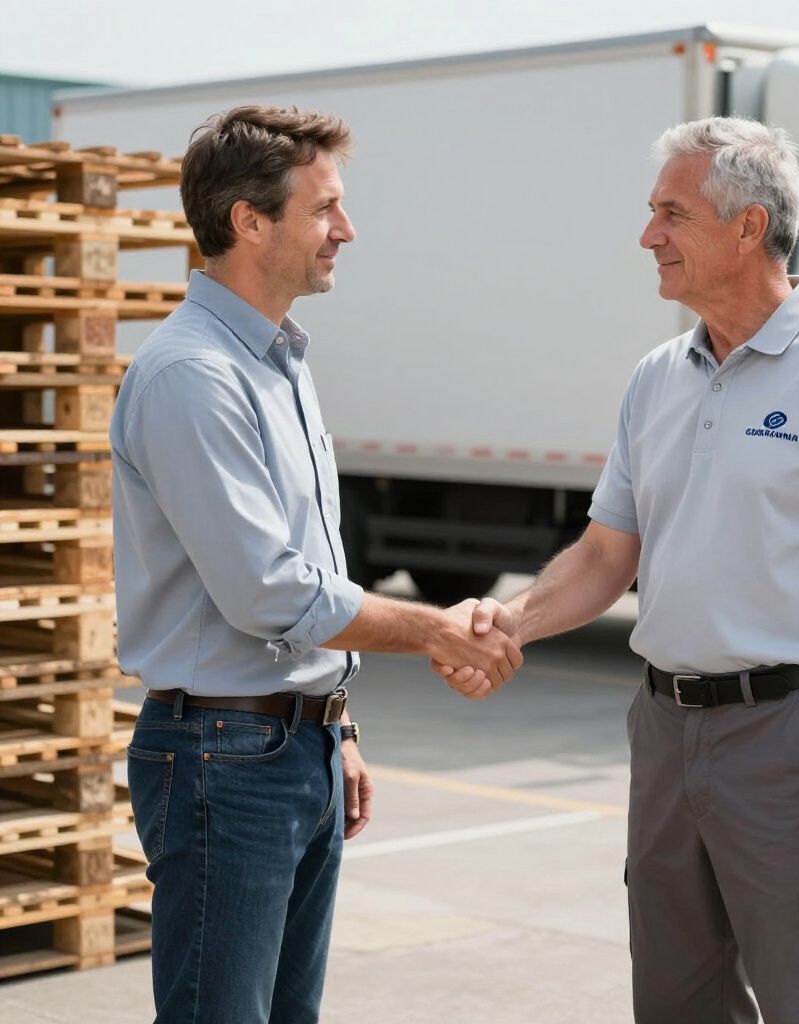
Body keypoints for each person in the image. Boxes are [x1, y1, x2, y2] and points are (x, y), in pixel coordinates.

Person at [438, 116, 799, 1022]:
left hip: (795, 736)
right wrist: (508, 623)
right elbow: (605, 555)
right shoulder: (657, 377)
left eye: (671, 213)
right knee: (677, 1001)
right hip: (665, 735)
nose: (649, 237)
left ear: (748, 228)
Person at [110, 105, 520, 1024]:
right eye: (325, 207)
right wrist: (438, 629)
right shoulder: (193, 375)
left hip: (288, 749)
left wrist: (335, 723)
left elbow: (303, 565)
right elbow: (269, 590)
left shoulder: (279, 361)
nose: (347, 229)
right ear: (249, 221)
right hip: (225, 762)